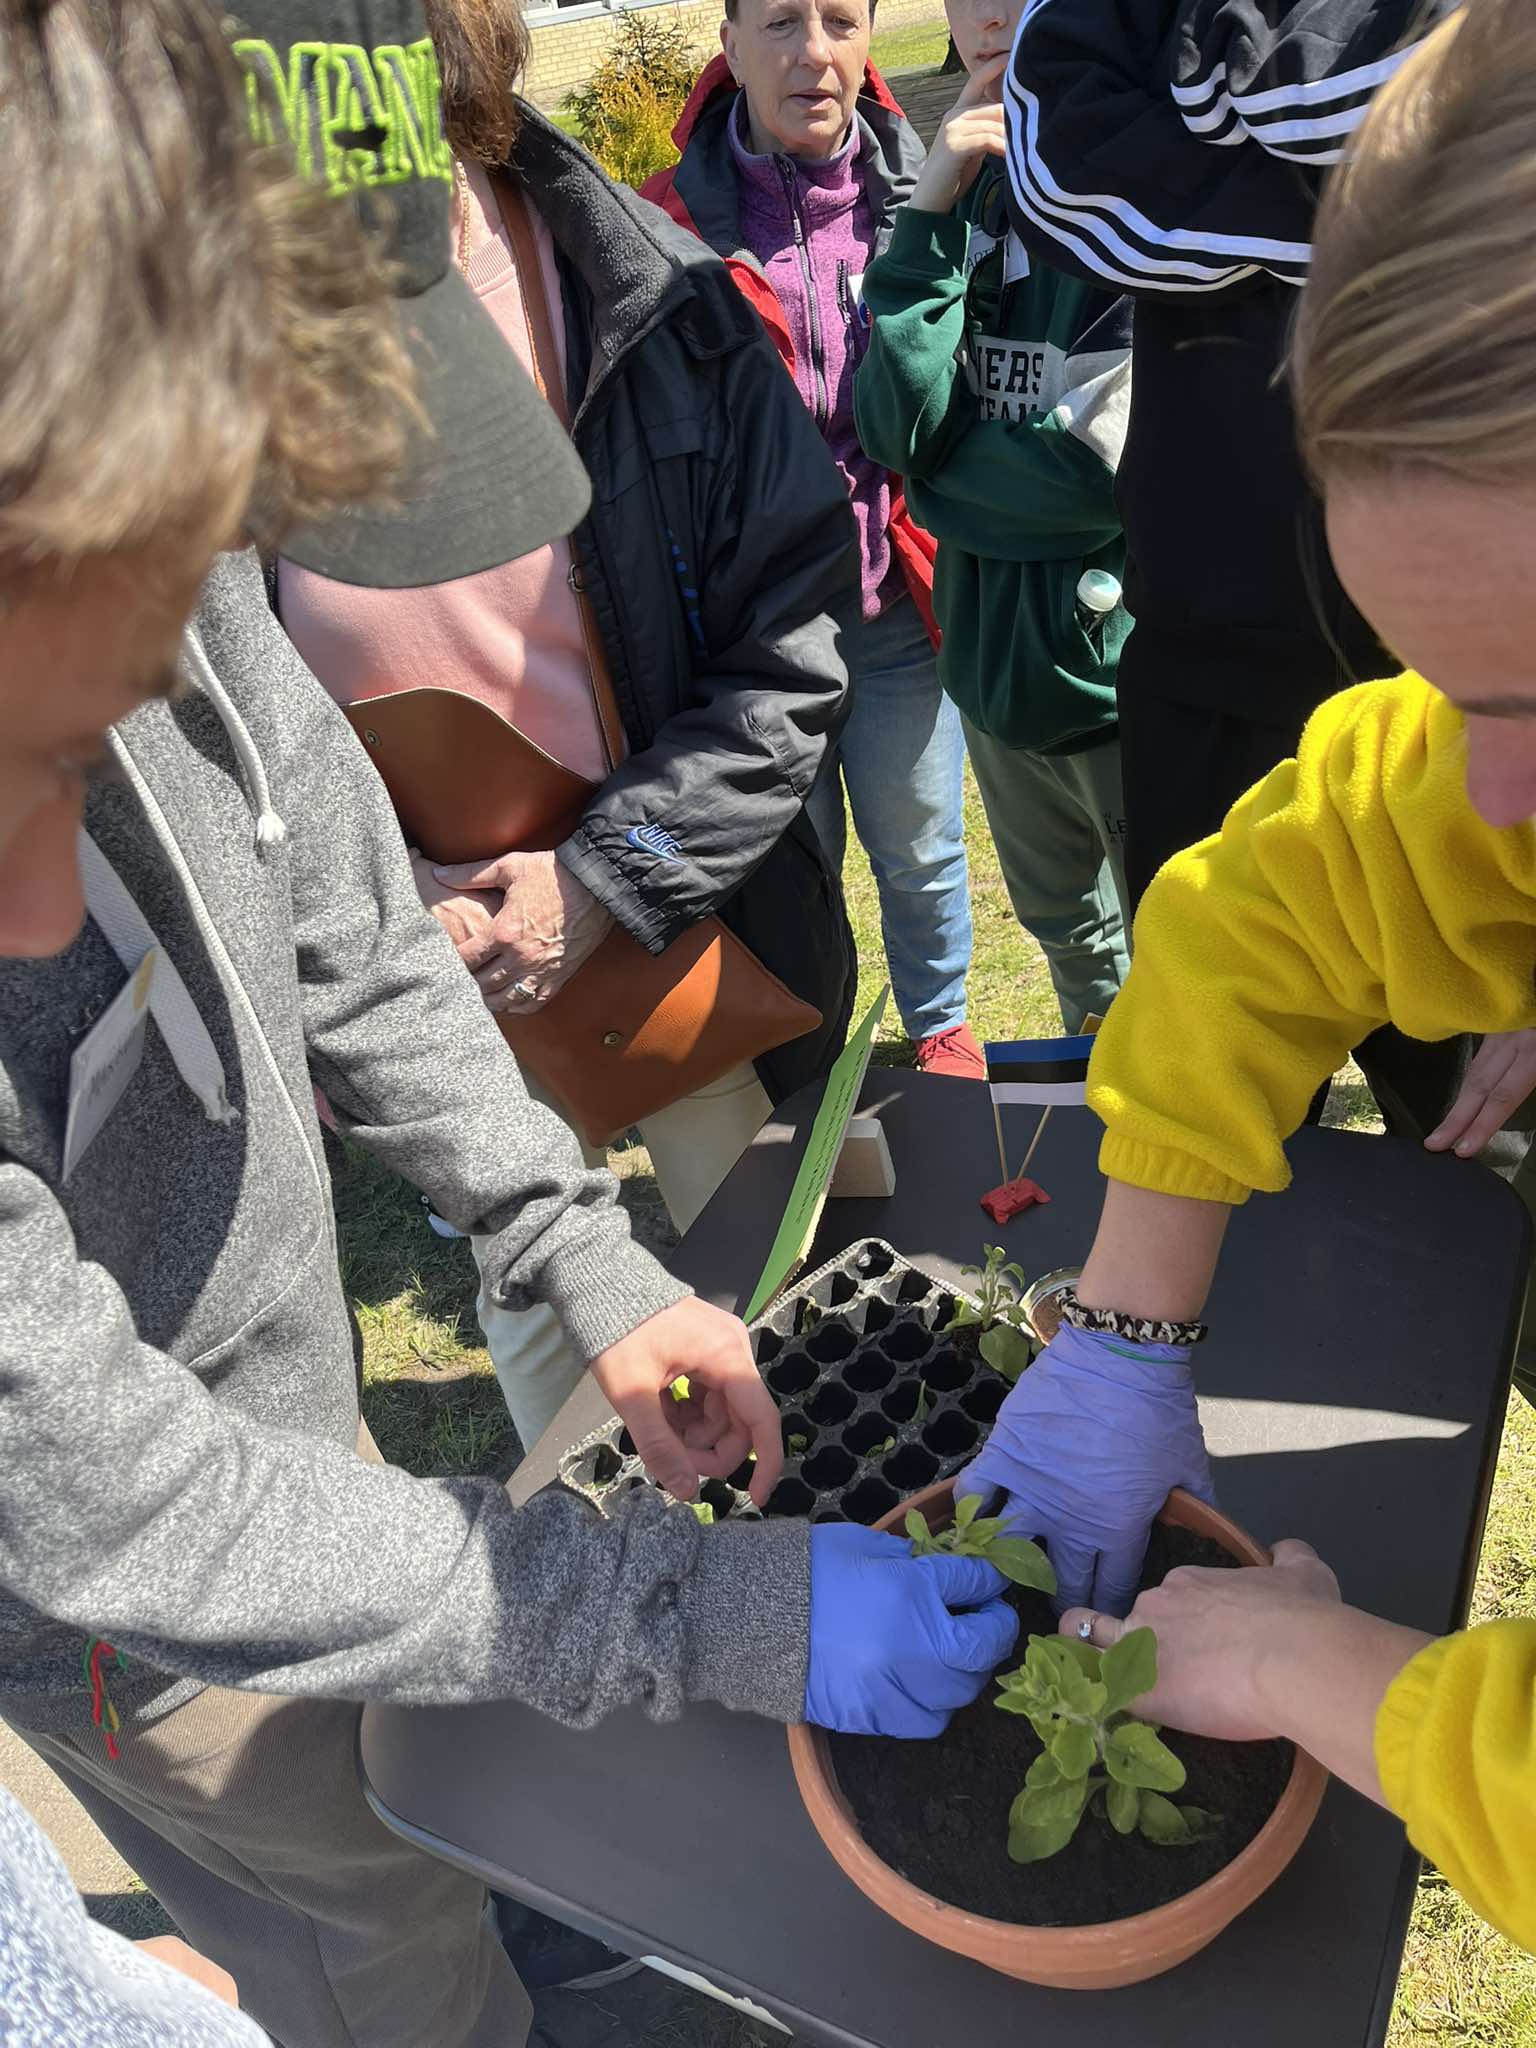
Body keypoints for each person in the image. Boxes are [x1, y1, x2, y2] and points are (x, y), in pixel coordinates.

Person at [0, 4, 1017, 2044]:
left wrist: (572, 1243)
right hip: (127, 1600)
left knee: (421, 1811)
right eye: (40, 764)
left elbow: (344, 913)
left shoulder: (154, 547)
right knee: (368, 1915)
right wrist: (703, 1606)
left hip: (284, 1413)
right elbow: (114, 1495)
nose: (46, 911)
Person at [961, 0, 1536, 1955]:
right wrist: (1126, 1329)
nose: (1491, 801)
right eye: (1452, 689)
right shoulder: (1475, 767)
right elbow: (1275, 902)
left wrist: (1333, 1675)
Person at [278, 0, 861, 1451]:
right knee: (553, 1368)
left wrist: (599, 880)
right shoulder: (194, 372)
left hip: (698, 938)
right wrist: (370, 911)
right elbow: (199, 718)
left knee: (788, 1321)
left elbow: (788, 663)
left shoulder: (663, 309)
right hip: (440, 989)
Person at [995, 0, 1477, 1141]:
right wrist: (1371, 218)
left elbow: (1450, 88)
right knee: (1209, 1108)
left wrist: (1193, 92)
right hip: (1203, 669)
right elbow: (1056, 159)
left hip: (1450, 682)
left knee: (1473, 1133)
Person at [644, 1, 984, 1079]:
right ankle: (814, 1050)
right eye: (782, 22)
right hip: (761, 633)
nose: (814, 53)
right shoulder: (660, 225)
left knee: (920, 841)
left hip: (895, 610)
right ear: (731, 45)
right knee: (800, 864)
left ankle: (940, 1024)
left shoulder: (930, 195)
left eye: (841, 20)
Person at [853, 0, 1132, 1032]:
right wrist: (930, 202)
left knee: (1193, 951)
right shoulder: (967, 192)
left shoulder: (1137, 191)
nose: (986, 14)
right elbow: (893, 424)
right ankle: (1107, 1120)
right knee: (1072, 939)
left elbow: (1099, 476)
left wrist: (935, 479)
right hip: (994, 678)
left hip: (1124, 683)